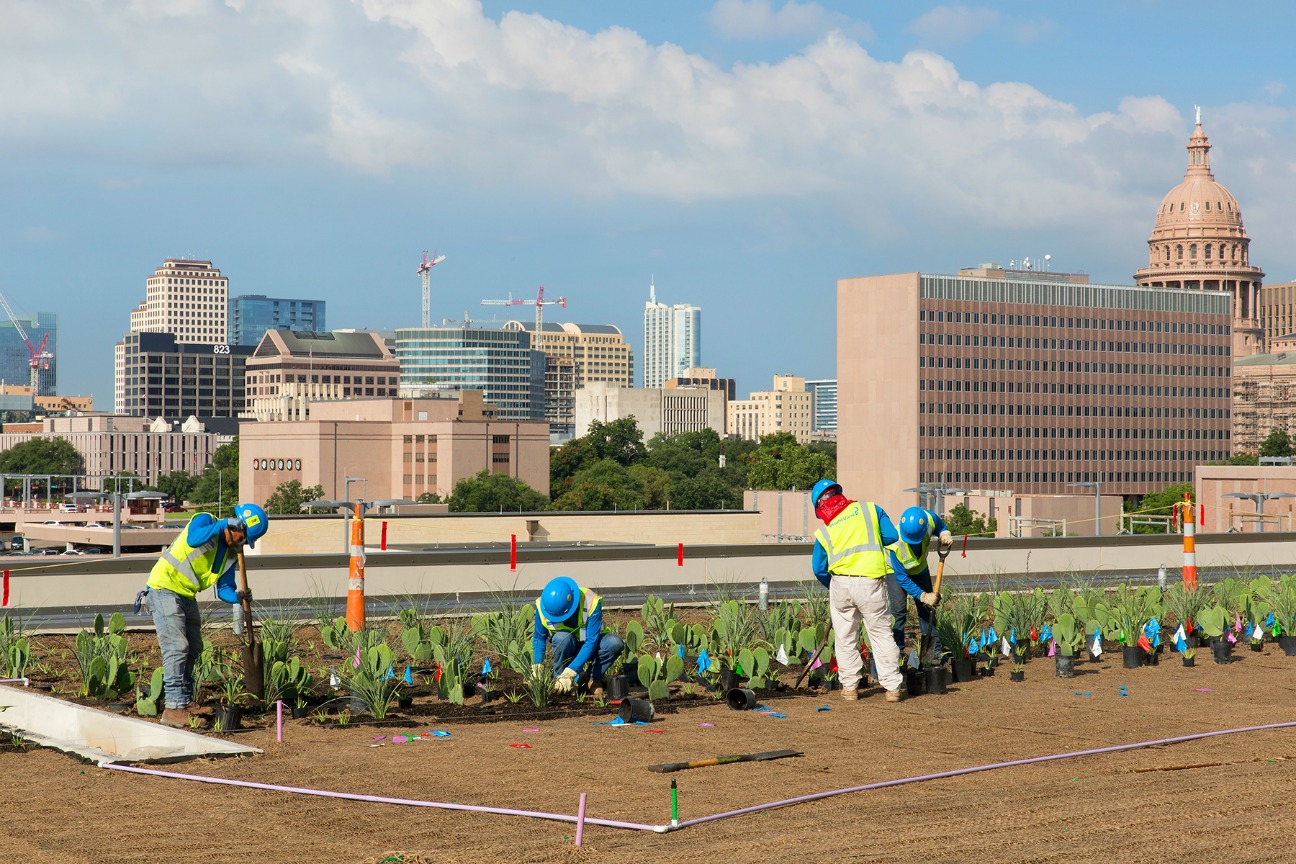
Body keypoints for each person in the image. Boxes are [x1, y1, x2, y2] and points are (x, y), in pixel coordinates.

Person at [143, 503, 269, 728]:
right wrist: (222, 524)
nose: (243, 544)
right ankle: (173, 708)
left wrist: (238, 596)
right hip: (163, 588)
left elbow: (224, 589)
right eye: (244, 538)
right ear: (237, 525)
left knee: (194, 648)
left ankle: (185, 701)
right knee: (176, 647)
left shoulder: (230, 555)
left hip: (186, 595)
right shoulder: (205, 520)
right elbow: (193, 540)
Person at [809, 479, 905, 702]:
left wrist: (833, 587)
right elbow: (892, 536)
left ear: (819, 505)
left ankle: (850, 688)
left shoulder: (825, 530)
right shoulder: (871, 509)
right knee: (881, 635)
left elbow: (818, 567)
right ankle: (892, 688)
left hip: (840, 585)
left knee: (844, 638)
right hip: (870, 583)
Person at [532, 576, 625, 695]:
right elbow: (539, 638)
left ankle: (592, 678)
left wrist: (571, 672)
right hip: (568, 645)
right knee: (562, 638)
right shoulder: (542, 605)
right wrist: (537, 666)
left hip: (593, 644)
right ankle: (560, 681)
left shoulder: (590, 601)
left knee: (614, 643)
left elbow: (592, 641)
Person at [886, 506, 953, 659]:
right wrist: (922, 595)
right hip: (895, 572)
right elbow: (902, 578)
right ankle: (898, 653)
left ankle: (934, 652)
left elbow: (941, 526)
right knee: (898, 612)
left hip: (919, 568)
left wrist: (944, 533)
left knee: (928, 610)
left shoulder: (928, 519)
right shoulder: (895, 543)